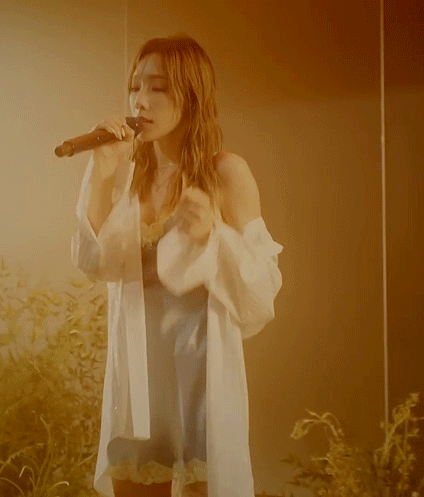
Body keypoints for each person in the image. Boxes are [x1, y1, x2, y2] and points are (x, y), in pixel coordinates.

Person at [71, 34, 283, 497]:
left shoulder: (225, 173)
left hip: (199, 384)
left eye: (159, 88)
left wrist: (214, 238)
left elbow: (262, 293)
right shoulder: (131, 179)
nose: (141, 100)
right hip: (137, 385)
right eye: (135, 86)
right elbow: (95, 261)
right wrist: (103, 172)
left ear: (191, 96)